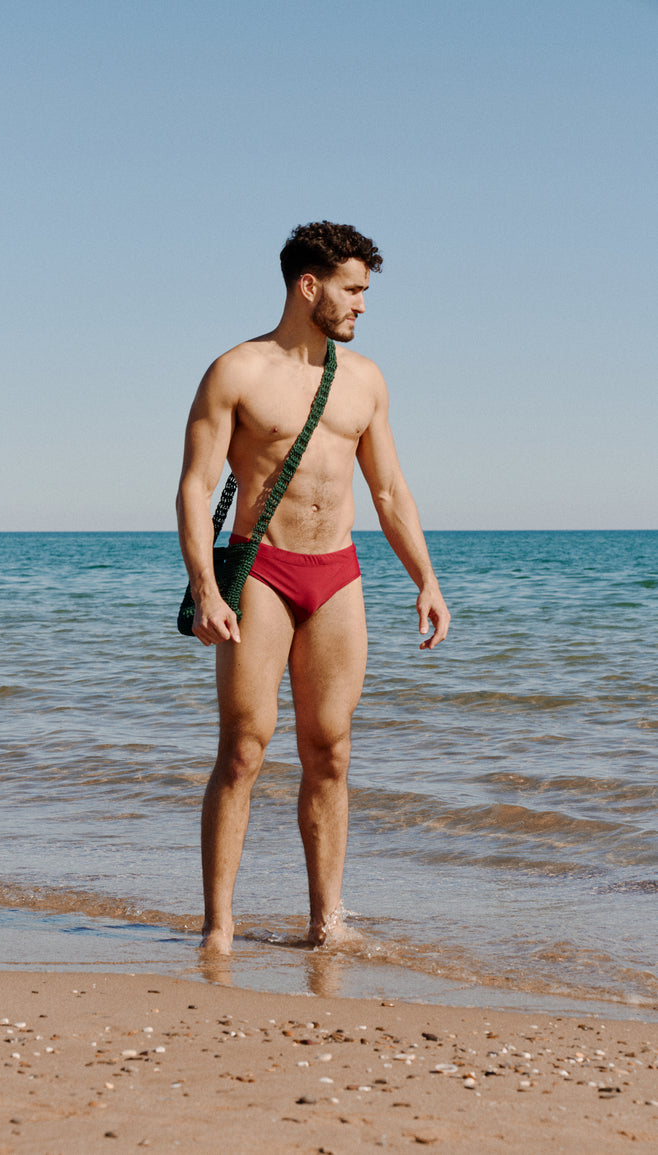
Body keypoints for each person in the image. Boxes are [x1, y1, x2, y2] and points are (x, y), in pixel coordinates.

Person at [176, 221, 450, 954]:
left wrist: (426, 578)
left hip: (336, 572)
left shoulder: (365, 381)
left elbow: (389, 492)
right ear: (310, 286)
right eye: (354, 290)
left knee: (330, 748)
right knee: (245, 747)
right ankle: (220, 927)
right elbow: (196, 486)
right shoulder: (236, 371)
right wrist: (205, 586)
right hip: (260, 568)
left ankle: (326, 924)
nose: (363, 305)